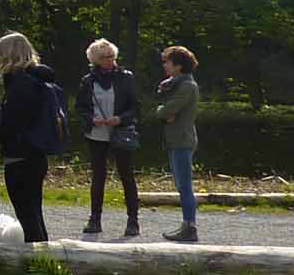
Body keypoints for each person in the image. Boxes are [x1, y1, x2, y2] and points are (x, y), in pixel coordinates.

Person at [0, 31, 54, 243]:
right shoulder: (37, 80)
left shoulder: (21, 84)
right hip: (36, 154)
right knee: (34, 213)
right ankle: (44, 254)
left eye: (0, 54)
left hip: (20, 156)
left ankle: (36, 257)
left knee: (27, 215)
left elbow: (12, 121)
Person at [75, 38, 141, 237]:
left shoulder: (126, 77)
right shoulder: (88, 80)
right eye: (105, 58)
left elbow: (135, 107)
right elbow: (80, 107)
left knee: (126, 175)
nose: (110, 61)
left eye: (112, 56)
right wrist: (91, 119)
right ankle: (95, 219)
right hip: (96, 134)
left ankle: (133, 221)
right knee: (98, 176)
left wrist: (120, 119)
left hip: (121, 132)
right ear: (95, 60)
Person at [157, 45, 202, 243]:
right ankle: (187, 225)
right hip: (175, 140)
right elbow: (168, 110)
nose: (165, 65)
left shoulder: (187, 87)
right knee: (181, 185)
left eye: (167, 62)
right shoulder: (175, 85)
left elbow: (166, 111)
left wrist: (162, 111)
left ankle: (190, 226)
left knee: (184, 185)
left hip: (183, 140)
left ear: (179, 66)